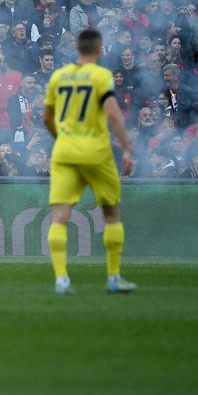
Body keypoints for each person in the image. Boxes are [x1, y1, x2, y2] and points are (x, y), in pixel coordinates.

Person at [42, 28, 136, 295]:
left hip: (64, 151)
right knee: (111, 213)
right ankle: (114, 278)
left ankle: (61, 280)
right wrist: (127, 149)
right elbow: (113, 114)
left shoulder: (58, 76)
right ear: (99, 49)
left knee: (59, 216)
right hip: (96, 151)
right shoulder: (101, 75)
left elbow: (46, 118)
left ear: (77, 49)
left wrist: (60, 138)